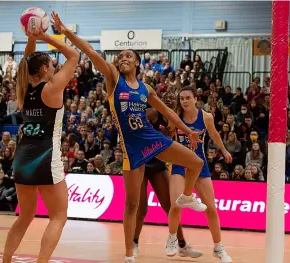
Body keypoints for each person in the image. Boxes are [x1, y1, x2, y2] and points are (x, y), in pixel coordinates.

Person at [50, 12, 207, 263]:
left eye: (128, 56)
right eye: (120, 56)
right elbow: (90, 51)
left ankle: (186, 197)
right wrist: (65, 32)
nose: (123, 58)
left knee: (196, 162)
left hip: (151, 139)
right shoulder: (113, 79)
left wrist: (189, 131)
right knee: (133, 206)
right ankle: (128, 254)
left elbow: (167, 112)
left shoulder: (146, 88)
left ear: (137, 63)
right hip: (132, 149)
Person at [2, 22, 80, 263]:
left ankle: (5, 260)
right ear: (45, 68)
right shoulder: (53, 88)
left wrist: (31, 40)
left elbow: (26, 63)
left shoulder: (23, 90)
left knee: (25, 215)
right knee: (58, 216)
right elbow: (74, 55)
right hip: (46, 158)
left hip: (22, 159)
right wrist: (45, 35)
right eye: (52, 65)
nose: (55, 68)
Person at [167, 86, 233, 263]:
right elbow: (166, 136)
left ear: (196, 99)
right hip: (179, 165)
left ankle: (218, 248)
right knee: (175, 205)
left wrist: (224, 150)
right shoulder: (175, 117)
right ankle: (172, 239)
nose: (184, 101)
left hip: (199, 165)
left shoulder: (206, 117)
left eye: (188, 98)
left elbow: (214, 134)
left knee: (211, 209)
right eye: (181, 98)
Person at [133, 91, 202, 258]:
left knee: (171, 206)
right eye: (167, 97)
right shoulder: (153, 113)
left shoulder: (176, 118)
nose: (170, 98)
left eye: (173, 97)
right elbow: (134, 129)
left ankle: (182, 245)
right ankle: (133, 243)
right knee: (141, 209)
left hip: (157, 165)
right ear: (160, 100)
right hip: (140, 162)